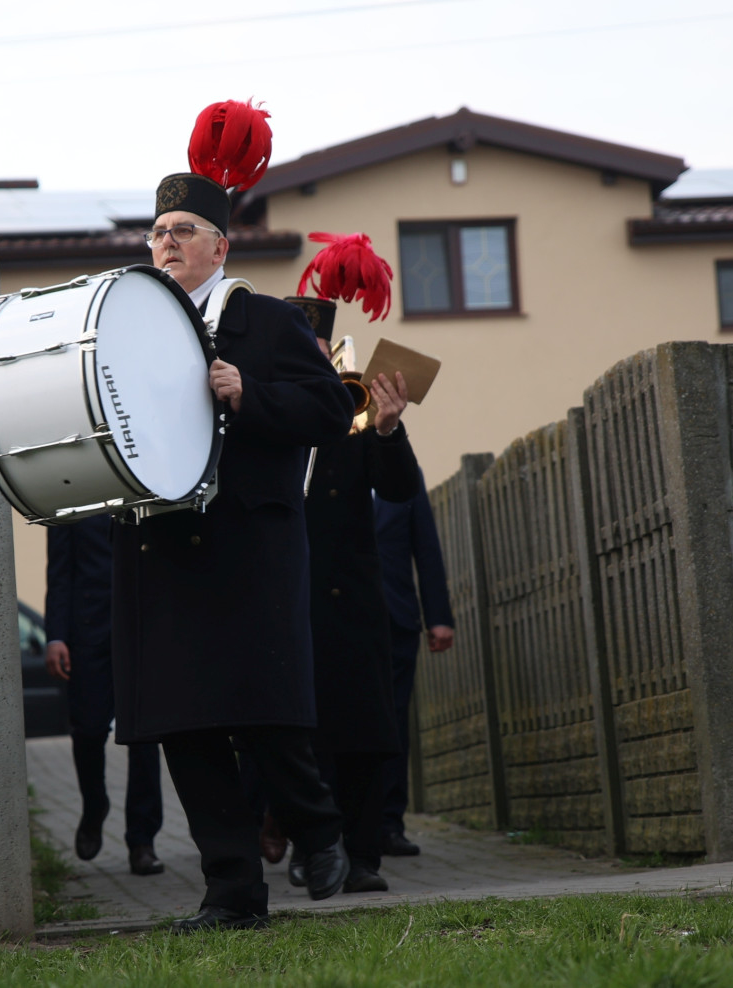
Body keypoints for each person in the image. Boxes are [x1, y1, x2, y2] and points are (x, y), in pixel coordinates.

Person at [110, 100, 357, 933]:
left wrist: (250, 394)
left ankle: (322, 830)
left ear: (222, 244)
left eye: (183, 229)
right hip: (169, 552)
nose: (167, 243)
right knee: (188, 729)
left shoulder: (270, 320)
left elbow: (332, 412)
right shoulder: (130, 331)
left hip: (249, 548)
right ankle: (232, 893)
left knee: (264, 716)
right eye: (158, 231)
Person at [282, 233, 421, 895]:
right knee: (304, 736)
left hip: (354, 598)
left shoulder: (355, 410)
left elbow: (398, 490)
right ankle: (315, 846)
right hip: (288, 601)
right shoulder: (265, 418)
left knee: (368, 731)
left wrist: (389, 429)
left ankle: (363, 854)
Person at [45, 517, 164, 876]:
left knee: (144, 737)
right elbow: (60, 572)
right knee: (89, 731)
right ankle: (94, 807)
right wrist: (55, 637)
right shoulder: (70, 493)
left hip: (140, 631)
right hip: (86, 636)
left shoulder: (142, 486)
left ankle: (142, 842)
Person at [374, 470, 455, 856]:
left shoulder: (401, 467)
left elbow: (426, 544)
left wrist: (438, 615)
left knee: (393, 723)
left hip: (396, 618)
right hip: (335, 619)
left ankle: (389, 824)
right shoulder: (318, 462)